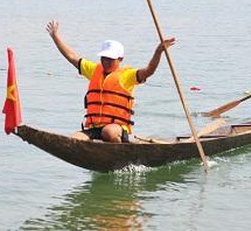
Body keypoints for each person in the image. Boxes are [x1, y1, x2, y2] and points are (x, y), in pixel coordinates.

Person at [46, 19, 176, 143]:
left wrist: (158, 52)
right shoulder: (94, 70)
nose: (106, 62)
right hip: (94, 128)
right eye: (104, 58)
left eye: (110, 59)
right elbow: (72, 57)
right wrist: (55, 36)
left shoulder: (127, 75)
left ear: (120, 59)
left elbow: (149, 70)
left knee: (108, 132)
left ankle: (122, 150)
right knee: (73, 139)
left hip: (116, 128)